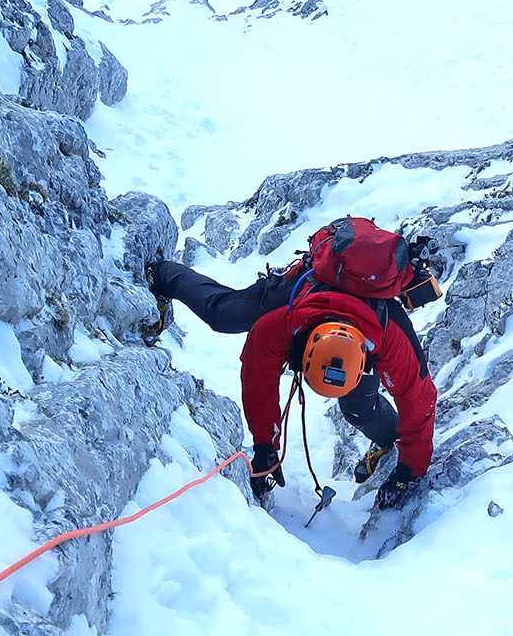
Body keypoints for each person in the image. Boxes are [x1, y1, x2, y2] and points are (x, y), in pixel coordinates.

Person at [144, 217, 440, 511]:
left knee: (359, 407)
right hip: (307, 287)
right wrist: (265, 449)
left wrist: (409, 473)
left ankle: (389, 440)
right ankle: (162, 273)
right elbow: (259, 381)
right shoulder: (278, 324)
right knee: (223, 313)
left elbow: (419, 400)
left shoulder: (392, 335)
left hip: (363, 322)